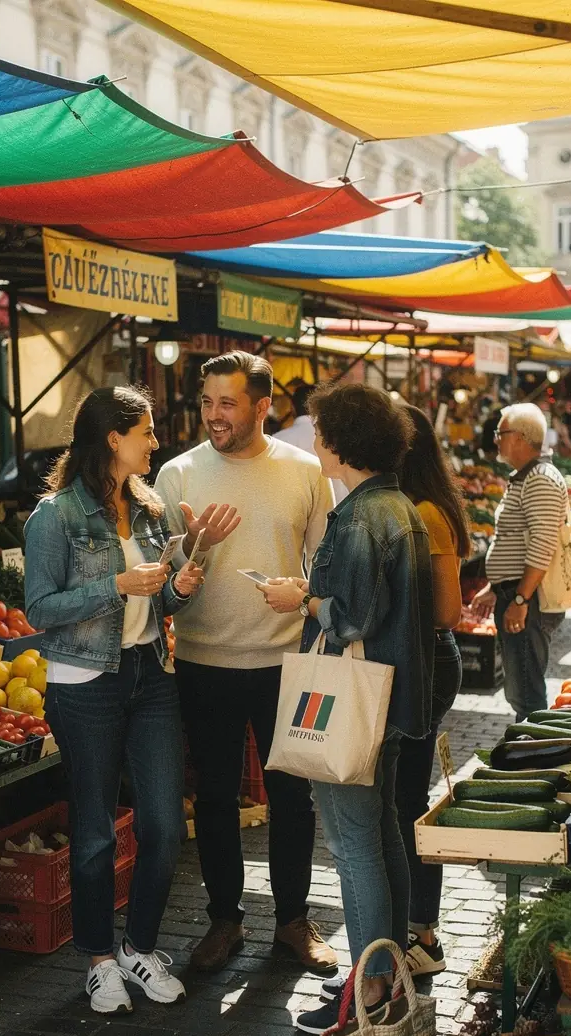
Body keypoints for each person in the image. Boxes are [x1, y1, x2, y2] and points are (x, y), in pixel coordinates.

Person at [258, 384, 434, 1034]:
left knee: (356, 844)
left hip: (352, 700)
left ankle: (368, 991)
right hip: (386, 697)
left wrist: (301, 601)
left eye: (324, 431)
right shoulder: (400, 507)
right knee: (380, 833)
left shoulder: (361, 516)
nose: (317, 440)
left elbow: (353, 613)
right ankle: (384, 974)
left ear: (341, 443)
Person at [155, 352, 338, 975]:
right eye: (207, 402)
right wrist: (193, 546)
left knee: (293, 795)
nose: (214, 415)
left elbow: (327, 561)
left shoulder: (306, 470)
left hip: (287, 660)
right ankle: (224, 920)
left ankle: (292, 920)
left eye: (227, 403)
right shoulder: (177, 474)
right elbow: (162, 573)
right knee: (213, 795)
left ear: (263, 407)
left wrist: (308, 598)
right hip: (204, 658)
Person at [24, 387, 204, 1014]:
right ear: (112, 439)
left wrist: (176, 585)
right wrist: (115, 585)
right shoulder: (55, 516)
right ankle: (100, 959)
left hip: (149, 673)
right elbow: (39, 610)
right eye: (146, 432)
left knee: (163, 824)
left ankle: (141, 948)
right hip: (84, 684)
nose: (156, 442)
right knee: (96, 833)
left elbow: (157, 604)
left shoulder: (150, 509)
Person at [394, 408, 469, 978]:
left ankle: (423, 934)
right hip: (420, 660)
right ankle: (418, 928)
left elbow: (448, 611)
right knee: (402, 798)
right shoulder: (416, 507)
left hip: (426, 660)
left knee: (407, 802)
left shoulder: (424, 514)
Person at [472, 403, 567, 721]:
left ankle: (533, 758)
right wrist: (494, 587)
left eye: (501, 432)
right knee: (520, 687)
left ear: (522, 437)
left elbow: (543, 544)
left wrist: (520, 598)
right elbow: (514, 542)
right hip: (516, 592)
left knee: (526, 691)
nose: (496, 438)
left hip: (530, 599)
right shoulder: (525, 477)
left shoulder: (539, 478)